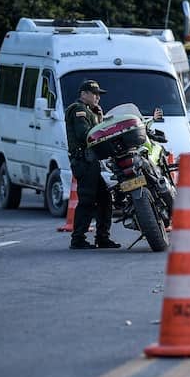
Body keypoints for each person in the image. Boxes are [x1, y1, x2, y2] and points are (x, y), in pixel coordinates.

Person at [64, 80, 120, 250]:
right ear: (83, 94)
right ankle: (78, 239)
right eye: (94, 94)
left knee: (104, 199)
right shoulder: (79, 110)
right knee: (87, 200)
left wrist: (99, 117)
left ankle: (102, 237)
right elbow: (85, 135)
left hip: (91, 161)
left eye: (98, 94)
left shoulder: (90, 111)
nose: (97, 97)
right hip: (84, 161)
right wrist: (98, 120)